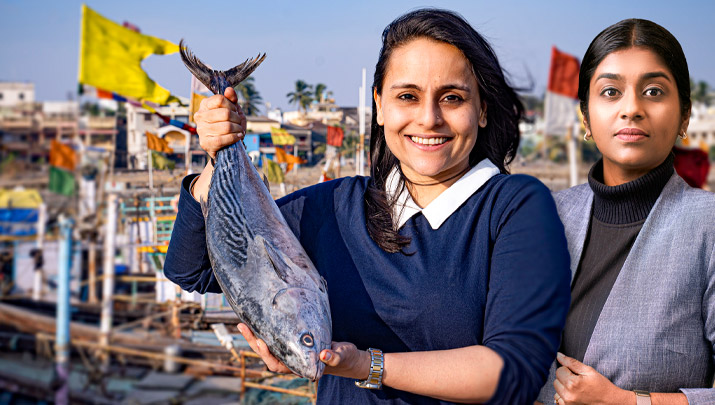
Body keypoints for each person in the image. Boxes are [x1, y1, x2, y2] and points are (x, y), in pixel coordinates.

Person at [165, 8, 571, 404]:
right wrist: (216, 160)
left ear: (482, 109)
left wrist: (364, 365)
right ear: (379, 106)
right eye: (407, 96)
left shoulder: (515, 207)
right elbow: (192, 270)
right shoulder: (336, 207)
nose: (429, 119)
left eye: (452, 97)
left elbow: (514, 373)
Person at [537, 19, 715, 405]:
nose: (631, 109)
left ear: (685, 115)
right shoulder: (547, 215)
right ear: (585, 116)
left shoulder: (707, 225)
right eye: (611, 91)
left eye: (653, 91)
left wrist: (629, 402)